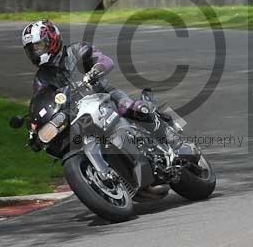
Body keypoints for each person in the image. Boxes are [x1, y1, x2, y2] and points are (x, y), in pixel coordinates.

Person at [22, 19, 196, 160]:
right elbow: (41, 101)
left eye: (38, 46)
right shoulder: (42, 78)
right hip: (78, 114)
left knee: (137, 109)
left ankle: (177, 143)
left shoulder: (76, 50)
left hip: (106, 95)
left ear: (51, 40)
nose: (35, 52)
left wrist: (96, 70)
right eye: (31, 50)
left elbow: (105, 61)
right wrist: (35, 127)